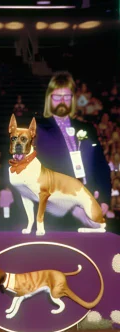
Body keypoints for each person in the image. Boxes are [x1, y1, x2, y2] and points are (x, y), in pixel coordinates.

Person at [36, 71, 111, 230]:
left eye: (67, 96)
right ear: (49, 99)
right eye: (57, 97)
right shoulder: (38, 129)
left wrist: (104, 200)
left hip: (90, 202)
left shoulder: (87, 128)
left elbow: (101, 167)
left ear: (73, 99)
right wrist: (72, 207)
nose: (62, 101)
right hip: (59, 212)